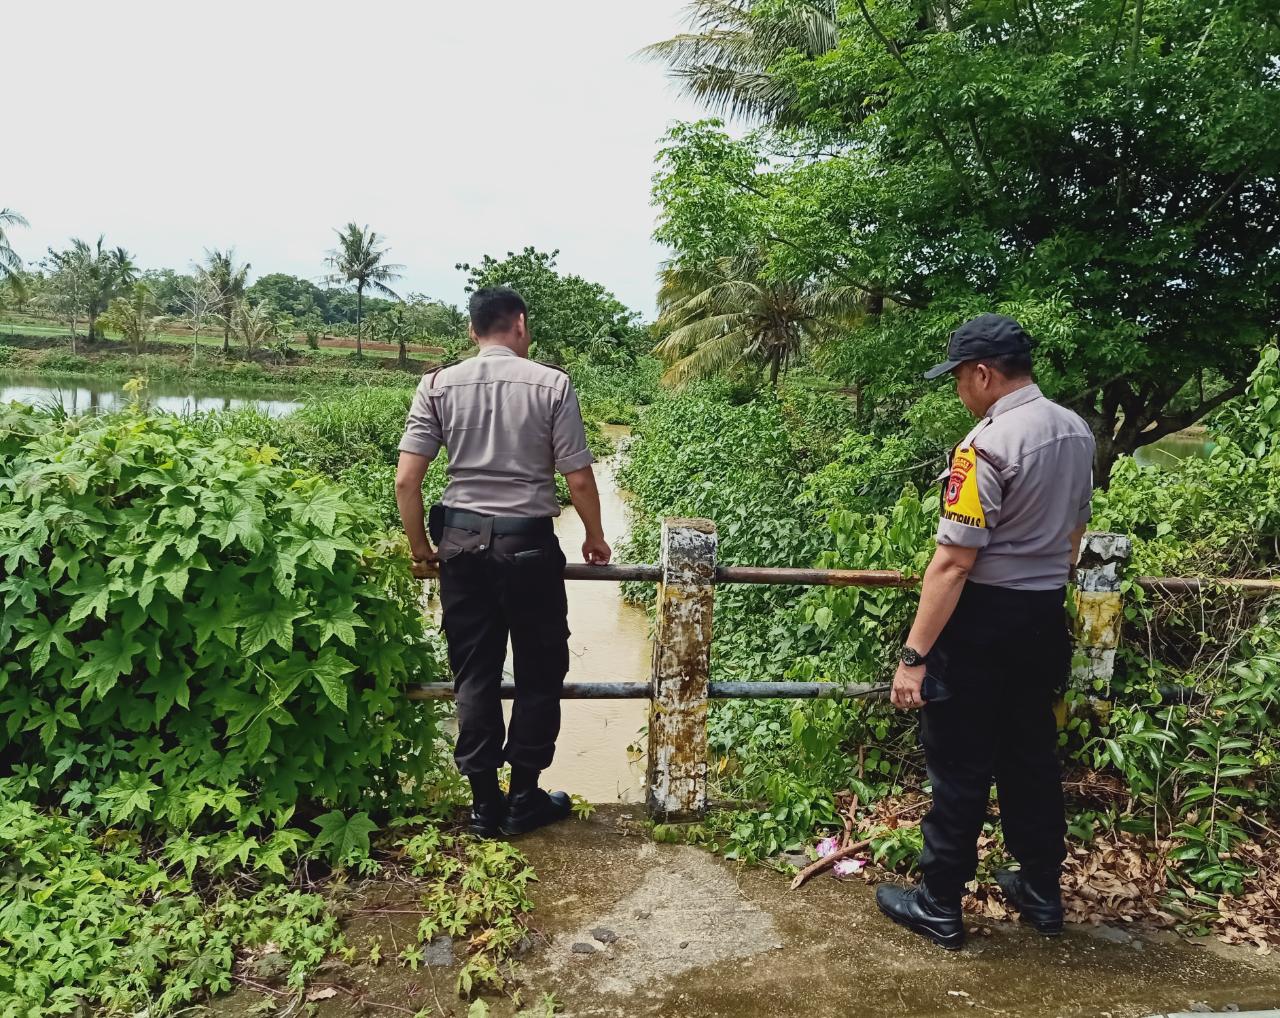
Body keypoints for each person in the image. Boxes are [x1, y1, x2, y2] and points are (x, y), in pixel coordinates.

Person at [875, 313, 1096, 950]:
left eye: (958, 379)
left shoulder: (985, 447)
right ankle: (1041, 893)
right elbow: (1077, 530)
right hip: (1043, 616)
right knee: (1031, 758)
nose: (958, 392)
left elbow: (953, 560)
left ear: (982, 373)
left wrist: (914, 655)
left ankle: (939, 903)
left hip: (981, 623)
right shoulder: (1075, 430)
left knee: (961, 765)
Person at [394, 286, 612, 839]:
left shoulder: (437, 385)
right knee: (541, 672)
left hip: (462, 547)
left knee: (475, 674)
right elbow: (579, 477)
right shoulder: (553, 384)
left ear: (472, 331)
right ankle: (523, 800)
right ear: (519, 324)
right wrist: (594, 537)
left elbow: (406, 480)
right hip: (530, 548)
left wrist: (422, 546)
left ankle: (483, 807)